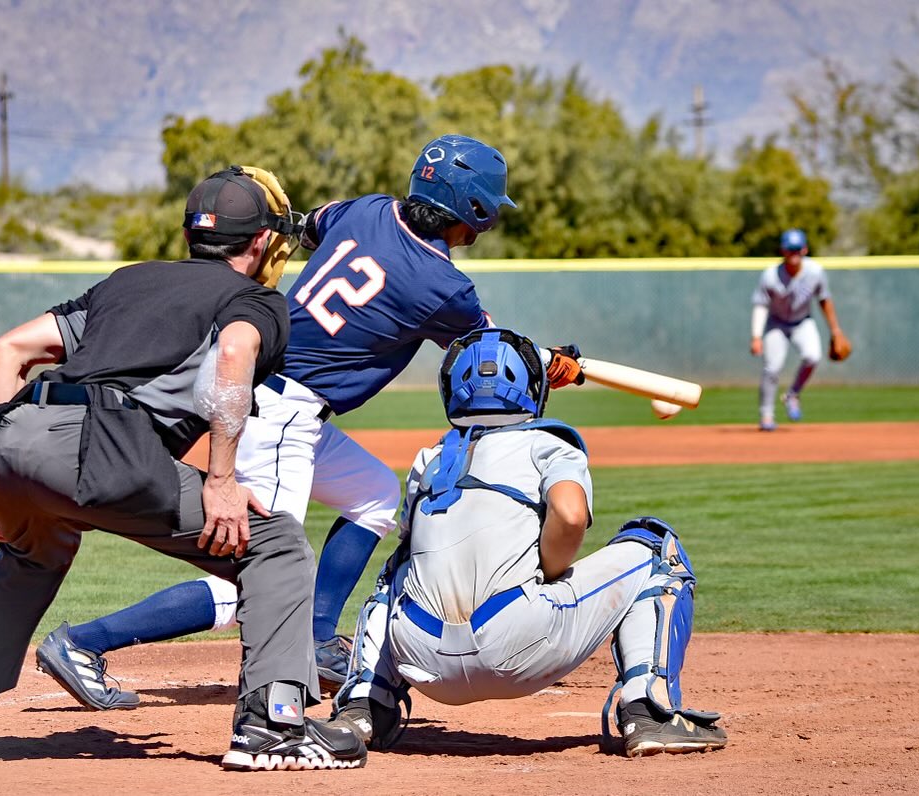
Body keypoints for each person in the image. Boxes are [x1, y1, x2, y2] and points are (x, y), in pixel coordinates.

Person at [33, 134, 587, 708]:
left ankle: (318, 637)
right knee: (251, 574)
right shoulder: (443, 286)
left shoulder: (370, 209)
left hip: (277, 397)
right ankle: (83, 643)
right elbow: (491, 355)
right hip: (277, 409)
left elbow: (315, 224)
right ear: (475, 211)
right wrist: (553, 365)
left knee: (373, 495)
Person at [0, 165, 367, 772]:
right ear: (260, 242)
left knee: (33, 552)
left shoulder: (127, 281)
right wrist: (222, 481)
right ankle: (272, 729)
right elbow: (233, 353)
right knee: (275, 542)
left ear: (189, 237)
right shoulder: (255, 300)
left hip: (13, 434)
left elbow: (5, 352)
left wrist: (0, 472)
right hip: (109, 445)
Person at [327, 328, 728, 758]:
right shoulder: (549, 445)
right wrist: (549, 574)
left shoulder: (429, 459)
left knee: (397, 569)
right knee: (655, 548)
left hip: (422, 658)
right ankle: (649, 711)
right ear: (530, 389)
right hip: (519, 645)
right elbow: (571, 516)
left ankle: (365, 706)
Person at [749, 228, 850, 431]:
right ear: (783, 251)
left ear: (804, 250)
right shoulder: (770, 276)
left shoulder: (815, 272)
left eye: (797, 249)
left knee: (813, 356)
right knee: (772, 368)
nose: (793, 253)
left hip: (802, 322)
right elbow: (761, 305)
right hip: (776, 323)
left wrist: (836, 331)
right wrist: (757, 336)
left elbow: (825, 300)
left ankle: (792, 395)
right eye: (789, 249)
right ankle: (766, 416)